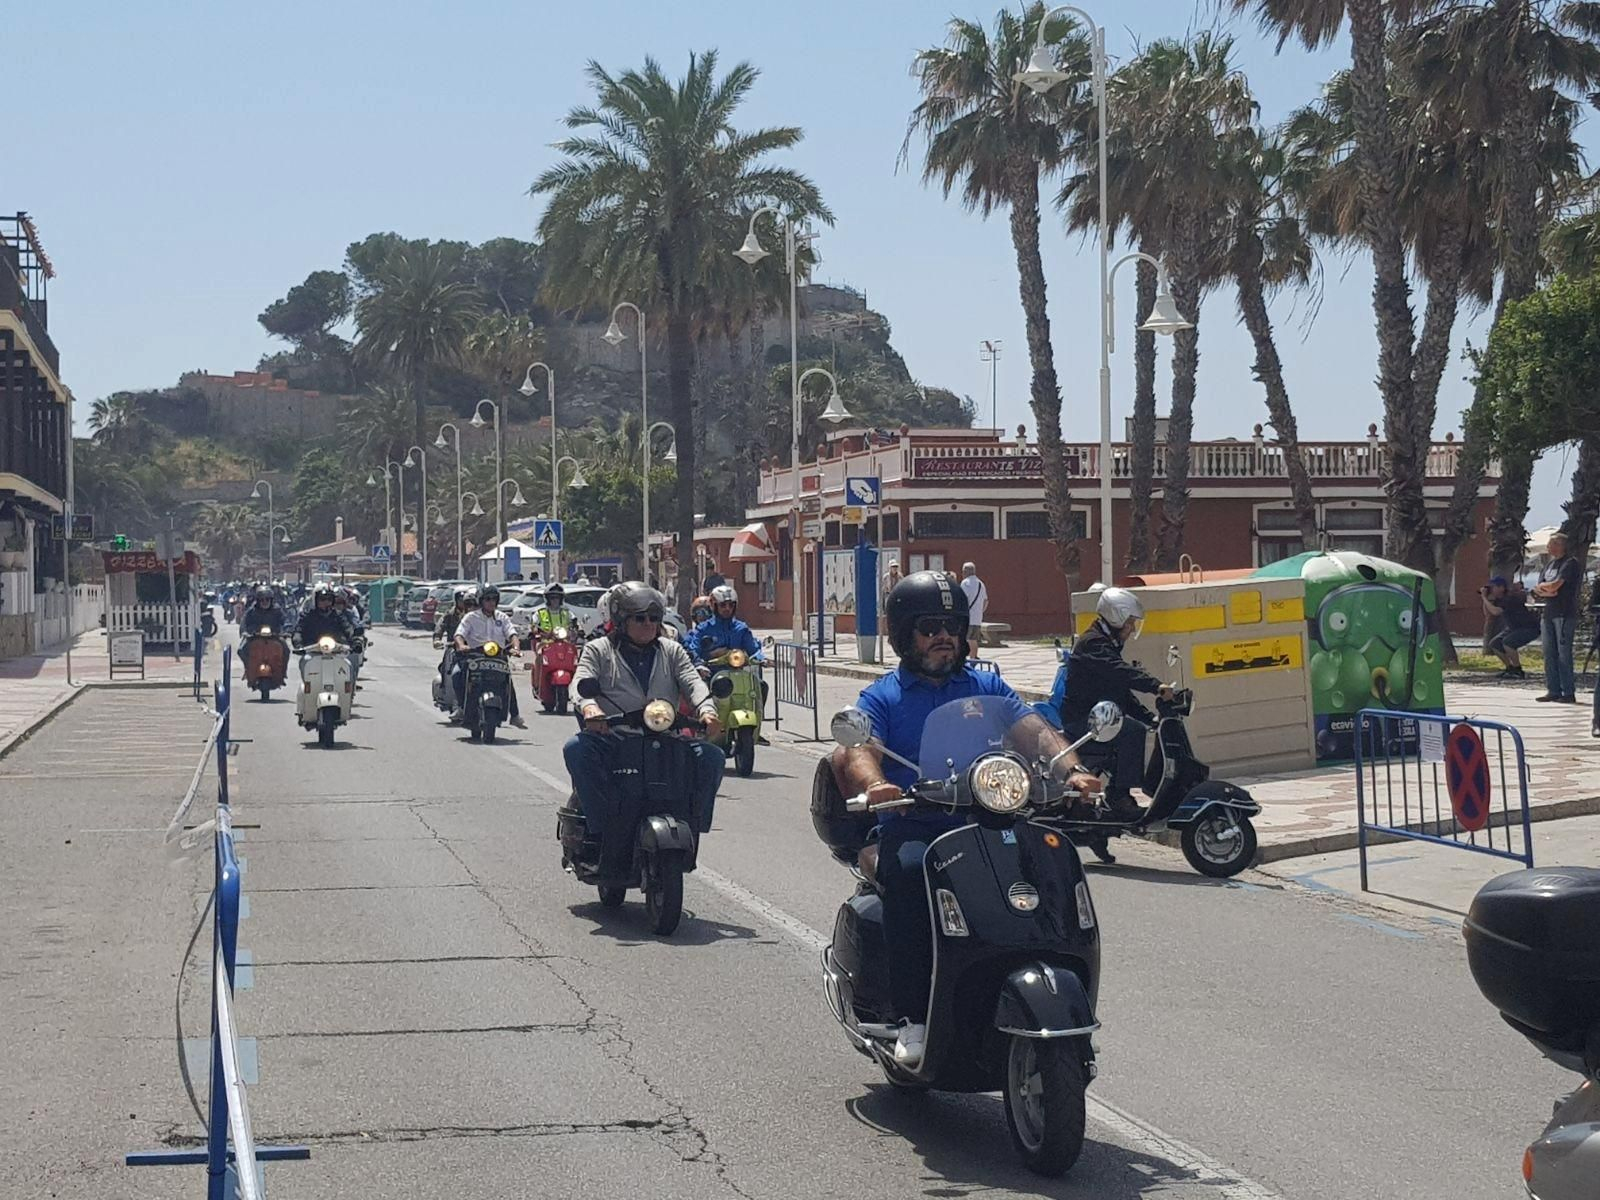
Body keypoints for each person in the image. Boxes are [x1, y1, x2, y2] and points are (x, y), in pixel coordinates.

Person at [830, 571, 1100, 1068]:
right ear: (904, 634)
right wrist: (876, 786)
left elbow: (1032, 729)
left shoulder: (986, 685)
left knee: (1050, 863)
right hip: (918, 827)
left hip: (993, 821)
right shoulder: (884, 696)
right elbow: (856, 750)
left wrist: (1074, 771)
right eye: (929, 626)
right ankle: (912, 1017)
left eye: (952, 625)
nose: (944, 636)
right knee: (911, 877)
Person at [565, 583, 725, 875]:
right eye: (639, 618)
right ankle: (599, 826)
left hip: (665, 737)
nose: (648, 625)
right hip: (615, 737)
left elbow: (693, 683)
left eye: (654, 618)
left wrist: (708, 711)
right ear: (622, 620)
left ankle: (692, 823)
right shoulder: (598, 650)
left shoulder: (672, 650)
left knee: (712, 758)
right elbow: (581, 682)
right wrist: (590, 708)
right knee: (576, 750)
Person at [1060, 586, 1175, 837]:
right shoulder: (1093, 643)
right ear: (1116, 617)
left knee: (1137, 726)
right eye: (1130, 623)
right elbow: (1120, 672)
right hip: (1083, 721)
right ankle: (1119, 797)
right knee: (1131, 732)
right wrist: (1157, 686)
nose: (1132, 628)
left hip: (1100, 716)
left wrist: (1150, 718)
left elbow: (1120, 690)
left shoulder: (1105, 642)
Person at [453, 586, 526, 727]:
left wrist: (516, 648)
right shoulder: (471, 617)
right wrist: (462, 645)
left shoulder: (502, 617)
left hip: (498, 657)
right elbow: (459, 634)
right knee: (457, 674)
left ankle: (515, 715)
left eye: (494, 599)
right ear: (481, 601)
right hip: (474, 657)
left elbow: (512, 635)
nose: (491, 602)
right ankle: (461, 708)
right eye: (487, 599)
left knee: (507, 682)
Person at [1533, 532, 1582, 703]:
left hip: (1564, 614)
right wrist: (1546, 589)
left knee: (1563, 654)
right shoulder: (1549, 565)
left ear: (1560, 545)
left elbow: (1556, 585)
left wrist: (1549, 588)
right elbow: (1539, 588)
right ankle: (1553, 690)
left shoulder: (1570, 563)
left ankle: (1568, 692)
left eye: (1551, 543)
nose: (1548, 547)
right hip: (1547, 613)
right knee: (1549, 653)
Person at [292, 584, 356, 679]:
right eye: (322, 599)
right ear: (315, 600)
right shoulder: (307, 616)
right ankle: (308, 689)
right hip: (313, 651)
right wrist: (298, 643)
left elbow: (347, 629)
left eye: (329, 599)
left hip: (336, 651)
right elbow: (298, 631)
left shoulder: (338, 615)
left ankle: (349, 691)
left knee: (349, 664)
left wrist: (356, 640)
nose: (326, 602)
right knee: (305, 662)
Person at [689, 585, 763, 665]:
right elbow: (693, 653)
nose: (727, 609)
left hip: (739, 673)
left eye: (731, 605)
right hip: (711, 673)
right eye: (723, 605)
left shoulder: (741, 629)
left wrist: (762, 659)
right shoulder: (703, 629)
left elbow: (754, 651)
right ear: (714, 605)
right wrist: (710, 655)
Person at [1481, 576, 1538, 680]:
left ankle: (1518, 670)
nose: (1491, 590)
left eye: (1493, 587)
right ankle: (1510, 668)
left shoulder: (1508, 598)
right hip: (1514, 627)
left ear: (1501, 588)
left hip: (1528, 627)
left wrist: (1484, 598)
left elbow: (1496, 612)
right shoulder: (1498, 599)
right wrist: (1487, 599)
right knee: (1495, 644)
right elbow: (1488, 614)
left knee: (1508, 643)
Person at [434, 587, 476, 706]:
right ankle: (445, 691)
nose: (464, 603)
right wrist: (437, 638)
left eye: (468, 602)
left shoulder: (476, 616)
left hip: (473, 649)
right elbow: (440, 626)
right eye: (461, 600)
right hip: (454, 648)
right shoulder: (450, 614)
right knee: (445, 668)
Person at [959, 561, 988, 659]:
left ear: (965, 572)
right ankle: (974, 657)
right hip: (978, 617)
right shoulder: (981, 584)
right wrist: (980, 611)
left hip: (968, 616)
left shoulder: (965, 583)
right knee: (974, 639)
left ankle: (971, 658)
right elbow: (985, 601)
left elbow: (962, 599)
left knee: (968, 638)